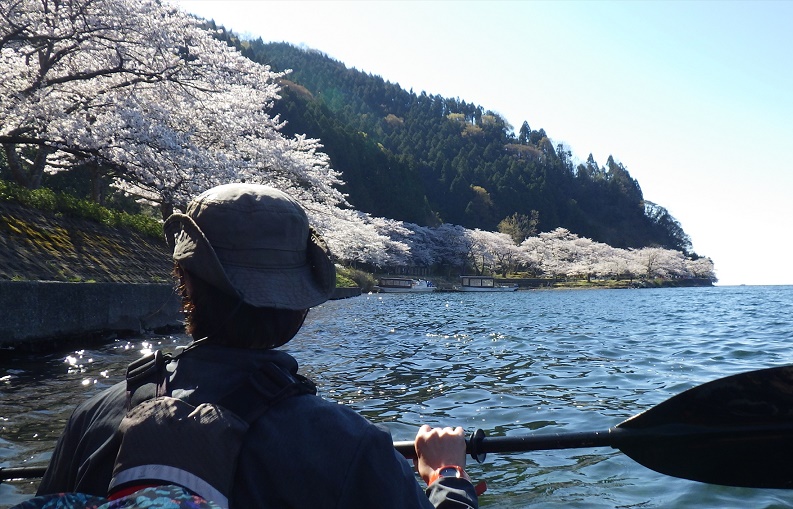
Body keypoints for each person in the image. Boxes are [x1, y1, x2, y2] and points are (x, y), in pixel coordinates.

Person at [36, 183, 478, 508]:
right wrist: (447, 475)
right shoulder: (350, 445)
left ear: (183, 280)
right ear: (300, 303)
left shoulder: (93, 419)